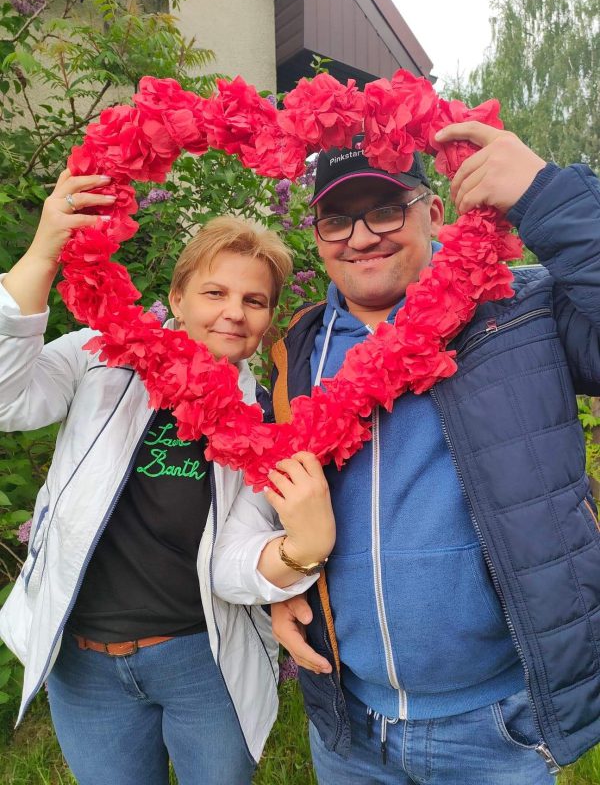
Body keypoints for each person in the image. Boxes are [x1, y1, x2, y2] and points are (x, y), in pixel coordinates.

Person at [239, 122, 600, 784]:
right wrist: (280, 581)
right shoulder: (299, 346)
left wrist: (546, 194)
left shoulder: (521, 308)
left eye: (385, 209)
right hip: (351, 731)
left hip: (499, 727)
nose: (360, 237)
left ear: (433, 212)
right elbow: (276, 491)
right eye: (335, 220)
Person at [0, 169, 336, 785]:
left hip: (202, 660)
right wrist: (46, 250)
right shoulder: (100, 360)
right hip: (85, 665)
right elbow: (5, 398)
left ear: (268, 317)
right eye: (215, 292)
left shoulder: (264, 420)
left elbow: (233, 564)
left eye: (254, 301)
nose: (233, 313)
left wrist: (299, 552)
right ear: (178, 299)